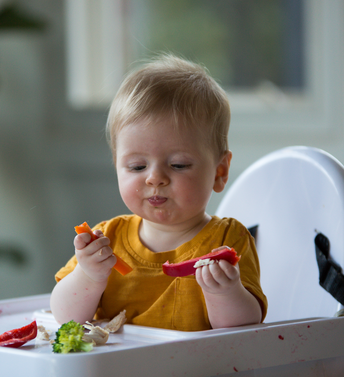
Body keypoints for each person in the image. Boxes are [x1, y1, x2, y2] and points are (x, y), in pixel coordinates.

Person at [50, 54, 267, 331]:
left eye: (178, 164)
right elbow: (65, 317)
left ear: (219, 172)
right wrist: (89, 275)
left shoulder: (227, 241)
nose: (155, 178)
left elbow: (244, 331)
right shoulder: (108, 239)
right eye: (137, 166)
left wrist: (224, 292)